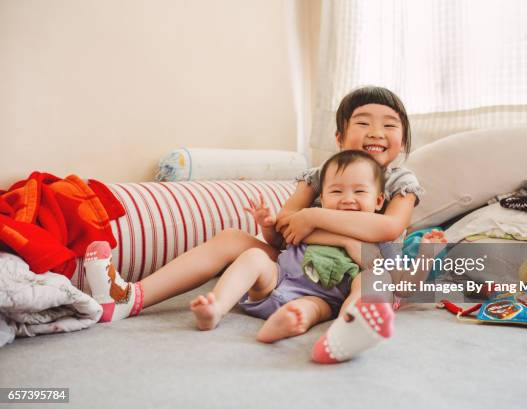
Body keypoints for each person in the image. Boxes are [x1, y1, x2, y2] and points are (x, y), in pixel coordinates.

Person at [83, 85, 440, 360]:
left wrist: (314, 218)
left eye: (389, 125)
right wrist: (279, 223)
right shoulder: (319, 175)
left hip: (356, 271)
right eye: (363, 122)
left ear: (403, 140)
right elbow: (287, 224)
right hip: (295, 265)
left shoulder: (400, 182)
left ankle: (350, 328)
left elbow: (388, 230)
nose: (376, 131)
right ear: (339, 137)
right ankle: (132, 296)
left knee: (374, 276)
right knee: (233, 238)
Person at [189, 150, 394, 343]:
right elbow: (281, 242)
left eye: (359, 191)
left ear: (378, 201)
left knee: (309, 308)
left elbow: (379, 269)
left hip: (320, 298)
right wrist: (267, 225)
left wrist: (350, 244)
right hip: (276, 279)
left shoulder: (375, 234)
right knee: (254, 256)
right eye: (336, 191)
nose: (347, 200)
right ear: (322, 200)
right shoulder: (312, 222)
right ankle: (216, 307)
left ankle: (339, 326)